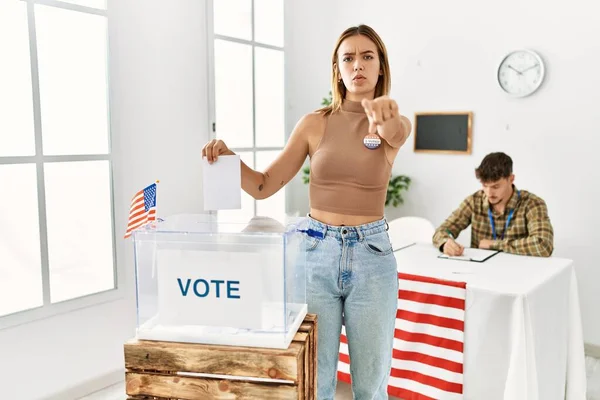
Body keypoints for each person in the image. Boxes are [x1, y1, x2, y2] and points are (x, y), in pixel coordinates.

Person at [202, 24, 411, 400]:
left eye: (368, 57)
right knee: (314, 381)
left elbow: (395, 133)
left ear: (381, 67)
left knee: (371, 385)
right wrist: (229, 159)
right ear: (337, 67)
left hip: (373, 256)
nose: (357, 65)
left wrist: (385, 117)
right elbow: (264, 186)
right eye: (348, 57)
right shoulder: (315, 123)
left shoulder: (391, 123)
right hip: (315, 254)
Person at [432, 152, 554, 257]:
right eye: (485, 185)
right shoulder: (474, 201)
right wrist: (445, 243)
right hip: (479, 274)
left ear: (511, 179)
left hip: (519, 274)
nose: (489, 193)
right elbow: (442, 231)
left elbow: (544, 244)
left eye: (496, 186)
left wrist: (494, 245)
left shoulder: (532, 204)